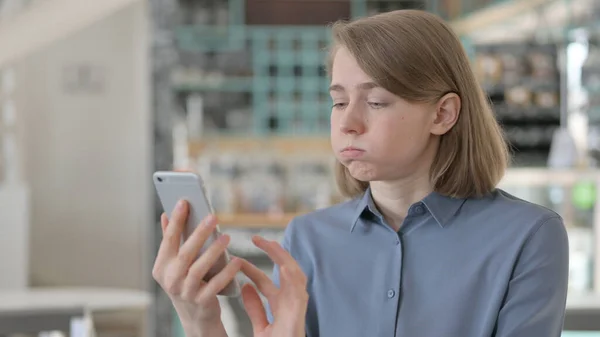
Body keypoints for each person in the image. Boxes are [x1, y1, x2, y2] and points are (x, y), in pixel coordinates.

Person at [153, 9, 569, 337]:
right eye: (338, 102)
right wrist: (201, 323)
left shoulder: (529, 237)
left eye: (376, 101)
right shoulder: (307, 239)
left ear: (442, 114)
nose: (348, 123)